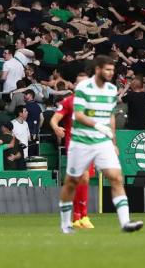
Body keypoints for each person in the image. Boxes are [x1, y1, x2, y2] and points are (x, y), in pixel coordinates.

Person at [58, 56, 143, 234]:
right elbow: (79, 115)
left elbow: (110, 117)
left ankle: (125, 222)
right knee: (72, 182)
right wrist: (97, 125)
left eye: (113, 70)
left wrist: (113, 141)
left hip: (102, 142)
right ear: (97, 69)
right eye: (107, 70)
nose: (111, 73)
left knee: (116, 178)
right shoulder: (83, 88)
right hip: (81, 141)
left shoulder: (112, 90)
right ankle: (66, 223)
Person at [50, 89, 94, 229]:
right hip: (75, 145)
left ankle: (77, 216)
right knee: (83, 177)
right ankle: (82, 215)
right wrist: (56, 127)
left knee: (82, 179)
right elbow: (55, 119)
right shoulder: (68, 102)